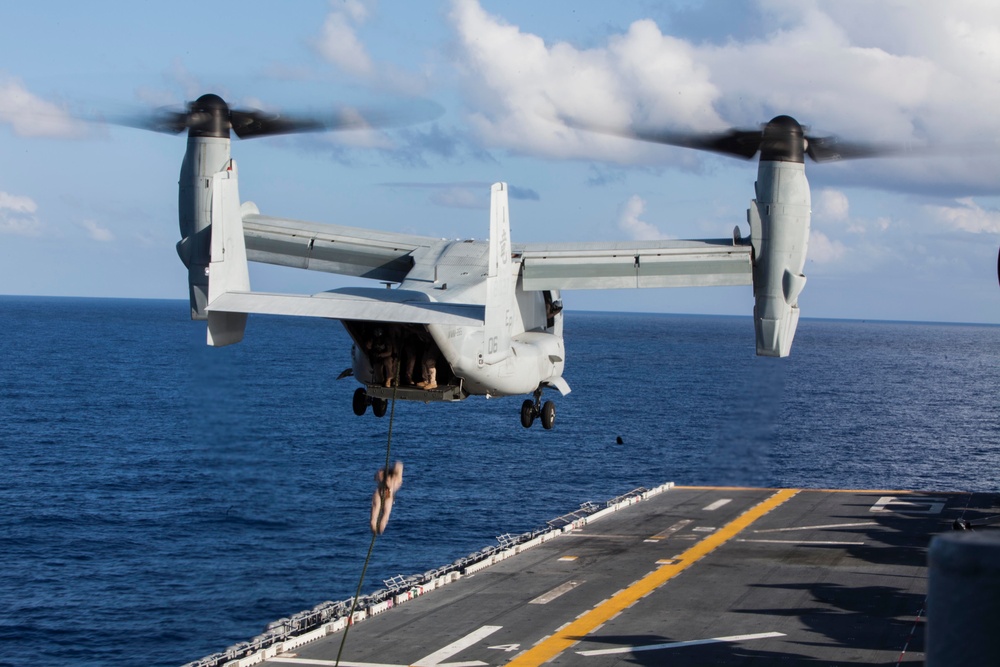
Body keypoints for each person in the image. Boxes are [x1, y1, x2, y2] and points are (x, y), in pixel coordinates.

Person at [370, 461, 404, 535]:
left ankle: (374, 524)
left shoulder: (383, 473)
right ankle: (381, 527)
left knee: (376, 511)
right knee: (386, 514)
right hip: (388, 493)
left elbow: (376, 477)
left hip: (380, 490)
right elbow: (396, 486)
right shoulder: (398, 480)